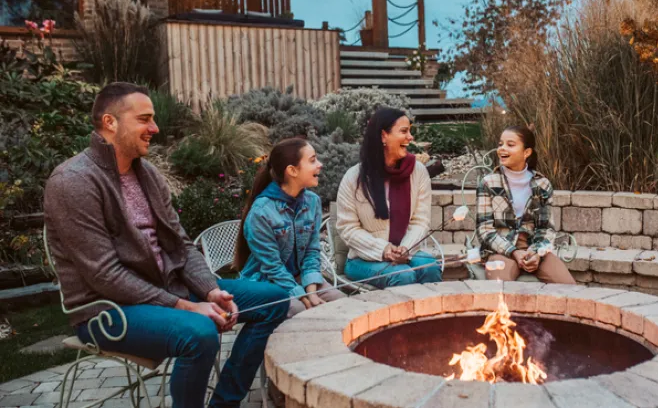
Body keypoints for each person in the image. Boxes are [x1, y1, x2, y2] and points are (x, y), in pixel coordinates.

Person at [43, 82, 289, 408]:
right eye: (144, 119)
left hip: (168, 291)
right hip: (107, 311)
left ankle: (224, 402)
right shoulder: (73, 182)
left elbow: (183, 246)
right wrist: (187, 307)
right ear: (110, 123)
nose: (154, 128)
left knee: (275, 299)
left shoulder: (148, 176)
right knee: (198, 332)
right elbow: (104, 275)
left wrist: (210, 290)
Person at [236, 138, 346, 317]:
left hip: (300, 277)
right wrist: (303, 297)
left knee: (341, 303)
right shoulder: (261, 212)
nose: (320, 164)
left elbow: (311, 250)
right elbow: (272, 267)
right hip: (266, 282)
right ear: (292, 171)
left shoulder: (312, 201)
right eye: (312, 160)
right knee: (300, 311)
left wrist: (310, 290)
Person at [336, 107, 442, 288]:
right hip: (363, 259)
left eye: (410, 131)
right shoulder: (354, 178)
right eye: (403, 131)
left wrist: (405, 249)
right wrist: (384, 250)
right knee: (403, 276)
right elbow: (348, 229)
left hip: (406, 252)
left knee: (430, 268)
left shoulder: (418, 172)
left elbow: (420, 221)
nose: (410, 137)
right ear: (383, 136)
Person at [476, 126, 576, 283]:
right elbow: (485, 229)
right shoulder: (489, 182)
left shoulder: (542, 184)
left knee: (568, 287)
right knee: (500, 288)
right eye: (500, 143)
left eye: (510, 144)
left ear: (526, 152)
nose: (502, 148)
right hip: (501, 249)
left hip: (533, 248)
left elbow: (546, 228)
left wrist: (537, 253)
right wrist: (513, 251)